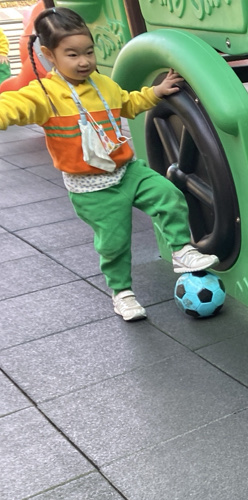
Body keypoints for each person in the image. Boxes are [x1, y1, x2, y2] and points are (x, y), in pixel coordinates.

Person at [0, 7, 218, 321]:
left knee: (168, 194)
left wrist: (155, 92)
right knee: (114, 244)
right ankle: (122, 293)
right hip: (92, 189)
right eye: (72, 54)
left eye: (89, 52)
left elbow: (127, 103)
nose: (84, 61)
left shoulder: (103, 84)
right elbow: (11, 106)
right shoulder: (44, 95)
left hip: (127, 171)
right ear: (49, 55)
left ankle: (181, 250)